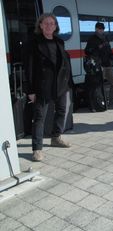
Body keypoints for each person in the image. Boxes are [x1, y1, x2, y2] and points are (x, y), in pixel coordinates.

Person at [25, 13, 73, 162]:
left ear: (56, 26)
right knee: (39, 117)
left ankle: (56, 137)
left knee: (61, 111)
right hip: (42, 86)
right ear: (40, 25)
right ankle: (37, 149)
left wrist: (69, 83)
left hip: (60, 84)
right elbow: (29, 68)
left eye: (52, 23)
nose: (49, 26)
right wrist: (30, 91)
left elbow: (65, 64)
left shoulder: (59, 42)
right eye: (46, 23)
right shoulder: (33, 43)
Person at [85, 22, 113, 105]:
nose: (101, 30)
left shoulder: (105, 37)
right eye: (100, 29)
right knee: (99, 84)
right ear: (96, 29)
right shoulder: (92, 39)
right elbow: (87, 51)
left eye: (102, 29)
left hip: (108, 64)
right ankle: (101, 101)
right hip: (99, 65)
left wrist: (112, 56)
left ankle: (112, 100)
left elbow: (109, 48)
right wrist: (98, 48)